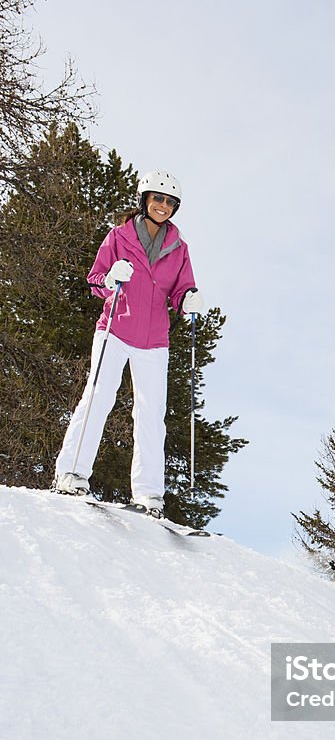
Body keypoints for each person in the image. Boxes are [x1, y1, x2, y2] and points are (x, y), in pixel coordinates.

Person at [54, 169, 204, 517]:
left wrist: (188, 301)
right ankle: (72, 473)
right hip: (115, 330)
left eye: (169, 202)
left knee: (151, 414)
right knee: (98, 397)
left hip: (153, 340)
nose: (163, 206)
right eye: (157, 198)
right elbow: (96, 281)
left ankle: (149, 495)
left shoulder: (179, 248)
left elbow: (182, 289)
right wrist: (110, 278)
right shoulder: (119, 236)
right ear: (144, 200)